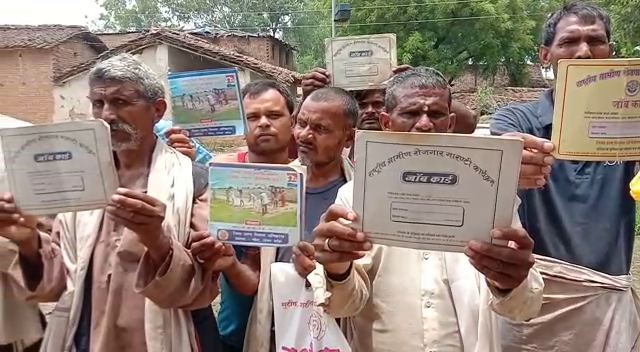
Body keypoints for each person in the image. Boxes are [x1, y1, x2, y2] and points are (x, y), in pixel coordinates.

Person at [294, 67, 543, 352]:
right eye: (411, 114)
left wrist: (510, 282)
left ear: (450, 124)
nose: (424, 124)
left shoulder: (490, 195)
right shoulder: (355, 196)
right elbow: (342, 305)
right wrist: (337, 270)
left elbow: (525, 308)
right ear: (387, 123)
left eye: (435, 114)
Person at [0, 54, 232, 352]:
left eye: (121, 102)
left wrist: (156, 238)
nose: (107, 114)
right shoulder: (77, 179)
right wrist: (28, 241)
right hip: (83, 337)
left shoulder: (195, 180)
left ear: (157, 110)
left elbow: (199, 290)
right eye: (98, 103)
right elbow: (59, 283)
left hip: (160, 340)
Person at [489, 2, 640, 351]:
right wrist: (509, 157)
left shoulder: (630, 125)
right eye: (570, 41)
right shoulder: (517, 120)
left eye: (596, 41)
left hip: (608, 299)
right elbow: (504, 145)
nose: (585, 52)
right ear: (546, 55)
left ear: (611, 53)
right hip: (533, 303)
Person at [243, 87, 357, 352]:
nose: (305, 135)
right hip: (276, 332)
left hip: (342, 329)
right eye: (302, 123)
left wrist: (321, 269)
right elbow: (252, 273)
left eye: (321, 129)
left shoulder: (361, 193)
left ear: (348, 136)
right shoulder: (270, 186)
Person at [212, 80, 296, 352]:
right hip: (235, 328)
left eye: (273, 115)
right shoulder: (219, 174)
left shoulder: (309, 178)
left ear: (292, 121)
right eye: (252, 117)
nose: (263, 123)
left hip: (297, 323)